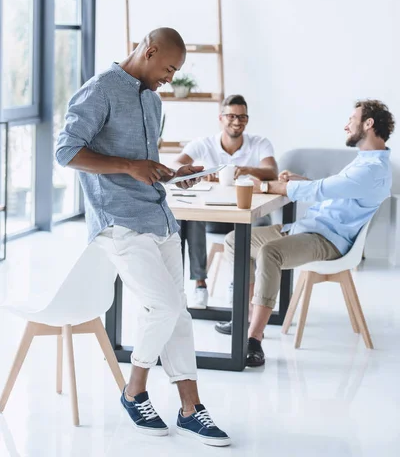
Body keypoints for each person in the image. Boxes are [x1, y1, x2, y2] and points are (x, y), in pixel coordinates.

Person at [55, 28, 231, 446]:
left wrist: (171, 174)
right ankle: (135, 391)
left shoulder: (152, 101)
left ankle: (190, 409)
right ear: (149, 52)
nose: (171, 77)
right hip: (118, 221)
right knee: (165, 306)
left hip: (160, 218)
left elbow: (144, 162)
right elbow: (66, 151)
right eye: (169, 67)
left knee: (179, 315)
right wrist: (130, 167)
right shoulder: (98, 90)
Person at [222, 100, 395, 366]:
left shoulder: (372, 170)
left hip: (327, 240)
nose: (346, 125)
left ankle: (254, 340)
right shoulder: (364, 161)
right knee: (236, 241)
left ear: (369, 123)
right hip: (306, 228)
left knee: (270, 253)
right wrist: (297, 181)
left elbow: (322, 191)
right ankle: (246, 315)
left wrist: (267, 187)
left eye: (352, 118)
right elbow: (329, 189)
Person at [174, 94, 278, 309]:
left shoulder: (259, 143)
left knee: (251, 226)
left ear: (247, 120)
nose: (237, 121)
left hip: (247, 214)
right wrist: (200, 174)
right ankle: (199, 284)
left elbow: (272, 171)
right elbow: (176, 164)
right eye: (231, 116)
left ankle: (238, 284)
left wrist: (248, 169)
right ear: (221, 118)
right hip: (216, 215)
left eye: (242, 117)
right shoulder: (204, 144)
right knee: (192, 220)